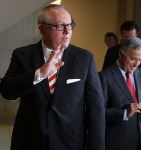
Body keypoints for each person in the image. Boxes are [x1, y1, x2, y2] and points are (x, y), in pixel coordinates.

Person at [0, 4, 105, 150]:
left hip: (70, 142)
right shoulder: (22, 55)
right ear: (41, 28)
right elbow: (7, 91)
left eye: (70, 25)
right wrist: (39, 74)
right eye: (60, 26)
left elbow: (96, 107)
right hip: (30, 141)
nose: (68, 31)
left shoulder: (84, 58)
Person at [99, 37, 141, 150]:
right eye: (132, 59)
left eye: (140, 59)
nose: (136, 64)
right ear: (121, 54)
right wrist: (125, 113)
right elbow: (98, 113)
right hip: (117, 143)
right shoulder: (104, 77)